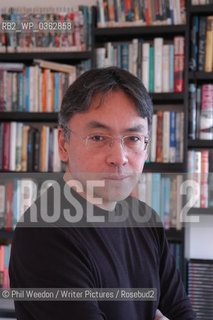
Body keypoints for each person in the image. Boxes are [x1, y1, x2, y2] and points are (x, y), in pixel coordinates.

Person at [9, 67, 196, 320]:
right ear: (63, 144)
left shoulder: (145, 219)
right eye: (98, 137)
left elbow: (182, 312)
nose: (119, 158)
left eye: (133, 138)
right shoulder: (44, 233)